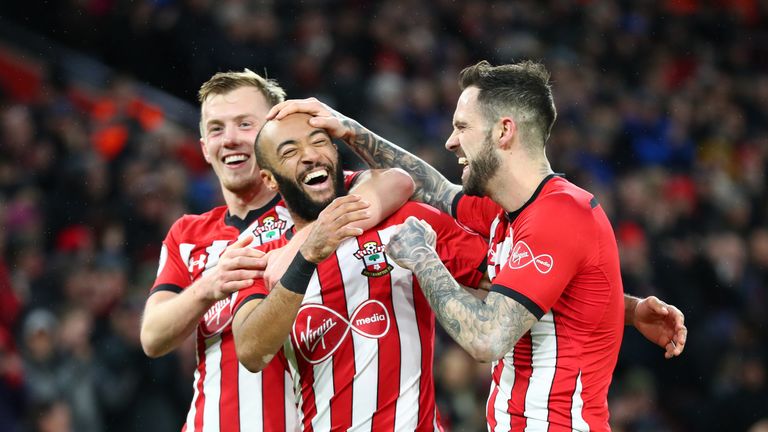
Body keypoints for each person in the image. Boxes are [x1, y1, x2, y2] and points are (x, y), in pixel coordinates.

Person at [267, 60, 688, 431]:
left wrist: (421, 256)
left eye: (463, 127)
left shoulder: (561, 216)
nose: (451, 141)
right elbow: (432, 189)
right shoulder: (508, 210)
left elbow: (486, 339)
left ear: (504, 131)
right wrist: (348, 129)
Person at [139, 70, 414, 432]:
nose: (231, 139)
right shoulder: (188, 233)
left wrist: (300, 245)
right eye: (217, 129)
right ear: (205, 147)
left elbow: (395, 180)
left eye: (244, 124)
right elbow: (152, 337)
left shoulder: (313, 197)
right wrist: (209, 286)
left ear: (270, 132)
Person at [230, 112, 489, 431]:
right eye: (290, 151)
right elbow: (252, 352)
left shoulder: (404, 219)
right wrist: (306, 255)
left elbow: (498, 274)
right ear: (270, 179)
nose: (310, 156)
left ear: (336, 153)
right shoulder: (256, 252)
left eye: (319, 142)